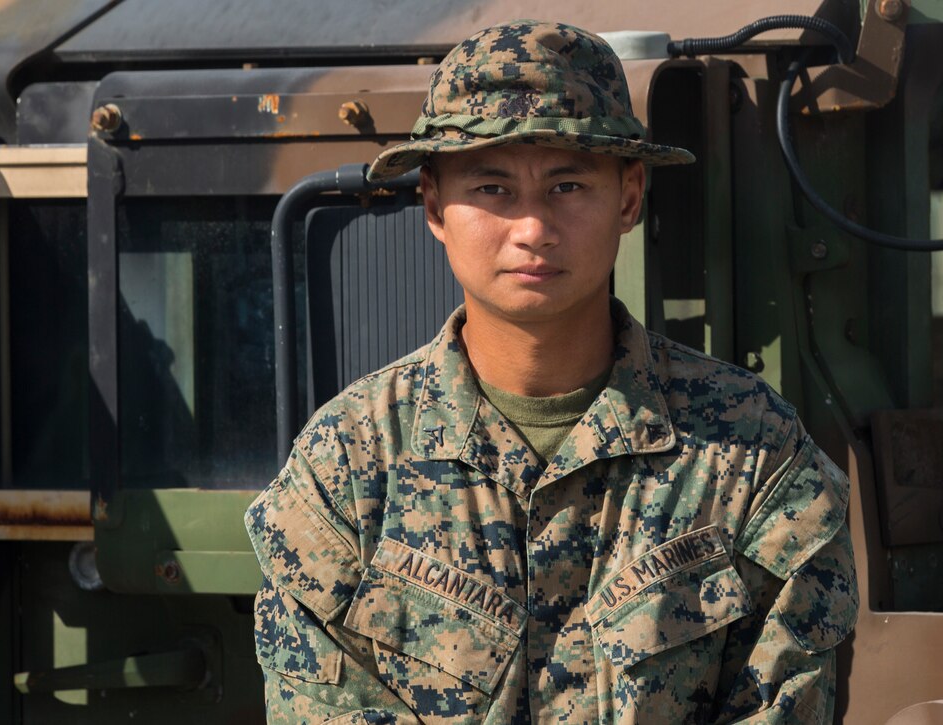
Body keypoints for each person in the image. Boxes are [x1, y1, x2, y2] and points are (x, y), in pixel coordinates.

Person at [245, 19, 857, 724]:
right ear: (435, 205)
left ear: (629, 197)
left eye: (567, 185)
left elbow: (784, 701)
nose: (532, 228)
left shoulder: (749, 451)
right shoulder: (348, 463)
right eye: (494, 188)